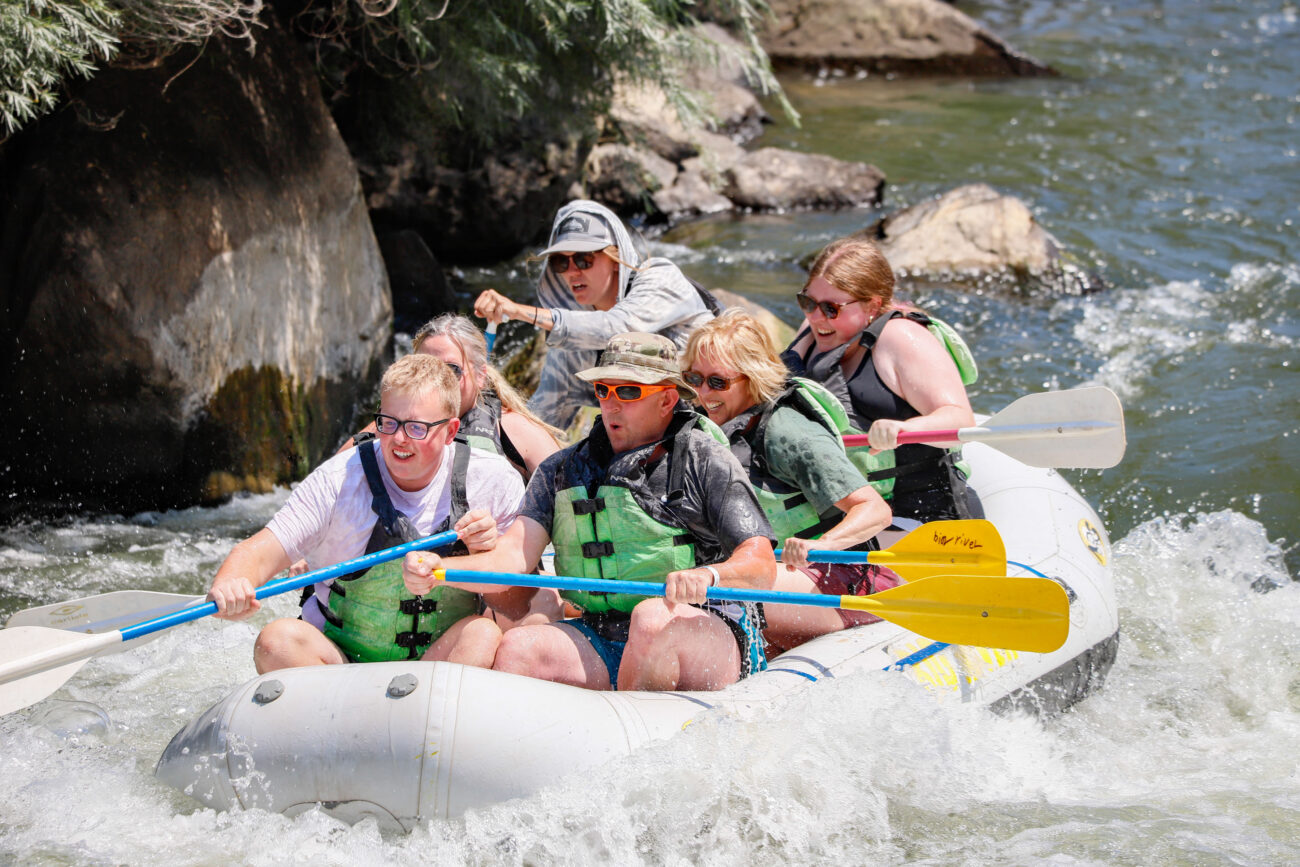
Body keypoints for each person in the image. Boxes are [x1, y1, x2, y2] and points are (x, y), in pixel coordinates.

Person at [402, 332, 777, 692]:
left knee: (651, 619)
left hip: (708, 632)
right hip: (604, 633)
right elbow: (514, 555)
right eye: (604, 390)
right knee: (518, 649)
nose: (611, 404)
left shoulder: (704, 459)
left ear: (666, 400)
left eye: (629, 392)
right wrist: (438, 569)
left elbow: (761, 564)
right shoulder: (561, 470)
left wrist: (710, 575)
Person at [207, 355, 526, 673]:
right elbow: (259, 552)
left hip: (435, 668)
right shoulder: (338, 479)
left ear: (449, 430)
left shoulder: (493, 481)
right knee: (276, 641)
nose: (399, 439)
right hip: (341, 667)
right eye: (388, 423)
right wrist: (232, 584)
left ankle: (416, 716)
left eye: (416, 427)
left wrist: (484, 552)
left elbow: (520, 604)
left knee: (483, 634)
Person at [682, 309, 901, 651]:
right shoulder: (702, 428)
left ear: (752, 378)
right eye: (694, 379)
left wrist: (825, 544)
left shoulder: (788, 432)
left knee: (719, 591)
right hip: (771, 572)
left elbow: (874, 509)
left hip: (839, 578)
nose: (703, 393)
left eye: (718, 382)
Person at [782, 237, 981, 522]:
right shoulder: (811, 332)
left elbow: (960, 420)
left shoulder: (901, 338)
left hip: (916, 514)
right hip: (844, 509)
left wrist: (905, 428)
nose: (817, 317)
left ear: (872, 306)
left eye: (831, 309)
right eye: (808, 302)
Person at [473, 200, 718, 430]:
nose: (572, 272)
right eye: (561, 262)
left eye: (583, 259)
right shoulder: (572, 346)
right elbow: (541, 422)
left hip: (716, 424)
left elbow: (618, 327)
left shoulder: (661, 278)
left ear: (615, 257)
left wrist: (519, 311)